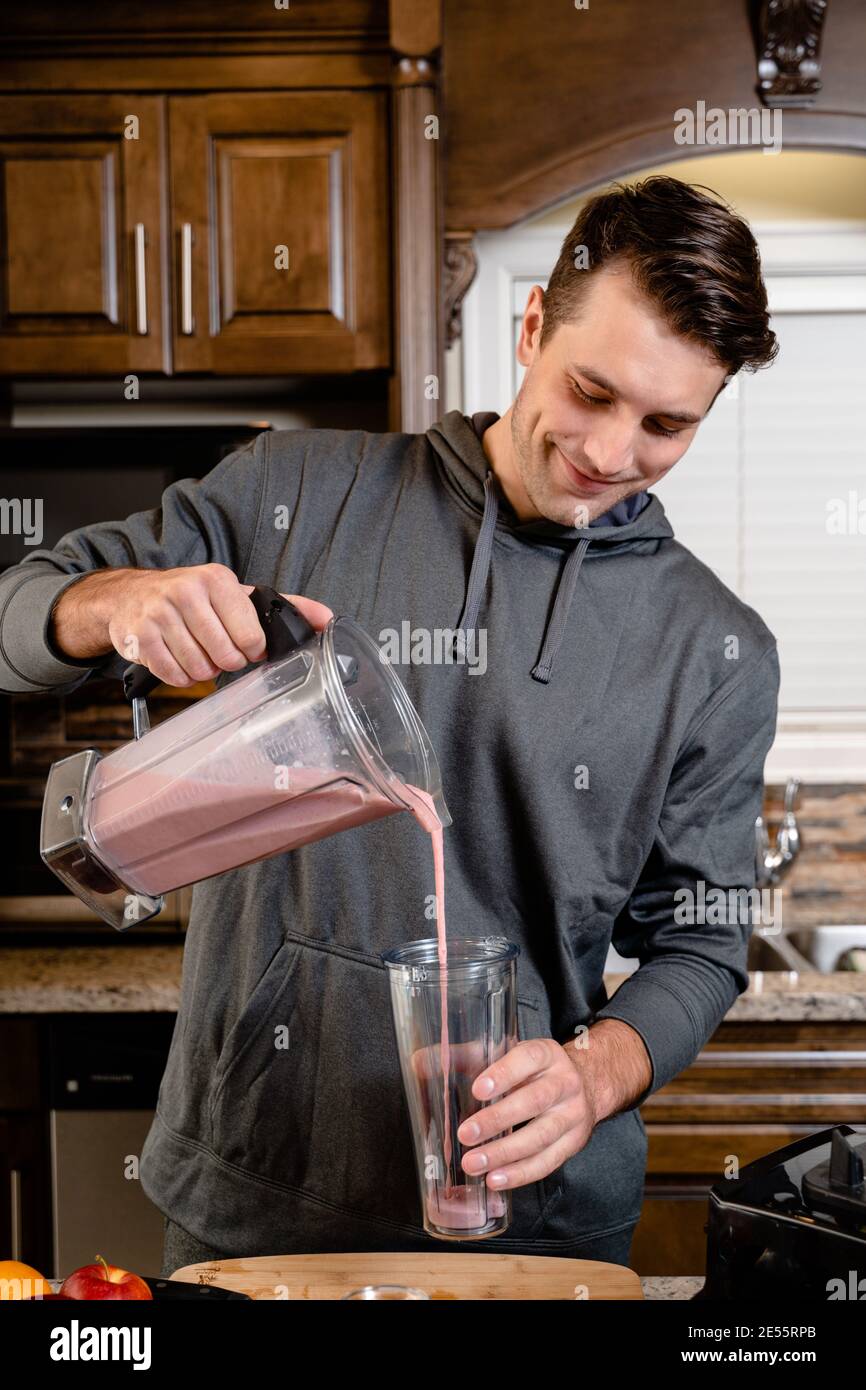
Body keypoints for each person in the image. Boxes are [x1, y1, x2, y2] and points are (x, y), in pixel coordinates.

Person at [0, 176, 780, 1276]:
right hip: (255, 1191)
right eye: (590, 391)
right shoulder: (296, 494)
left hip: (534, 1217)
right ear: (528, 329)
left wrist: (597, 1070)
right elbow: (17, 609)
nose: (610, 453)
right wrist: (110, 601)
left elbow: (699, 943)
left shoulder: (711, 646)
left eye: (665, 425)